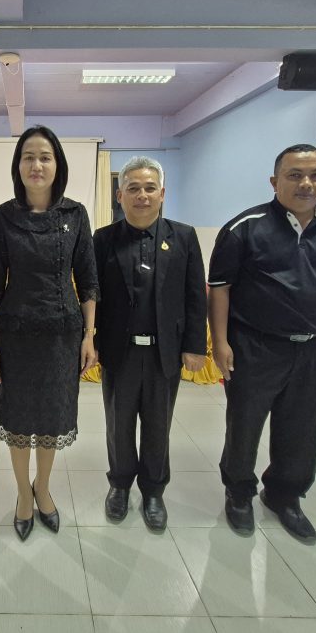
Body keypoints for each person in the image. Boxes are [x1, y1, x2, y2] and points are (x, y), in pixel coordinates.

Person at [208, 144, 316, 544]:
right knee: (244, 424)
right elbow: (220, 288)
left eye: (315, 175)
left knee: (303, 427)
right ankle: (239, 493)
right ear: (275, 181)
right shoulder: (245, 227)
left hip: (314, 347)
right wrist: (220, 341)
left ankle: (284, 495)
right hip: (255, 346)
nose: (306, 183)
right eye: (295, 175)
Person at [0, 125, 99, 540]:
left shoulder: (75, 215)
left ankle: (43, 488)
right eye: (28, 157)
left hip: (62, 336)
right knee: (17, 417)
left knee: (51, 418)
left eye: (45, 157)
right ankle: (22, 493)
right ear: (18, 166)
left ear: (57, 165)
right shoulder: (4, 216)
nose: (36, 165)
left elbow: (88, 281)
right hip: (14, 335)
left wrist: (89, 335)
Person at [93, 156, 207, 530]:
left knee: (159, 425)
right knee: (119, 425)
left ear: (162, 193)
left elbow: (195, 294)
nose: (142, 195)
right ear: (120, 195)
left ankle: (154, 491)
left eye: (149, 188)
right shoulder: (103, 240)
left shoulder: (184, 237)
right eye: (133, 188)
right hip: (119, 351)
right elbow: (92, 297)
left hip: (164, 352)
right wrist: (90, 342)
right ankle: (120, 485)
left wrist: (195, 345)